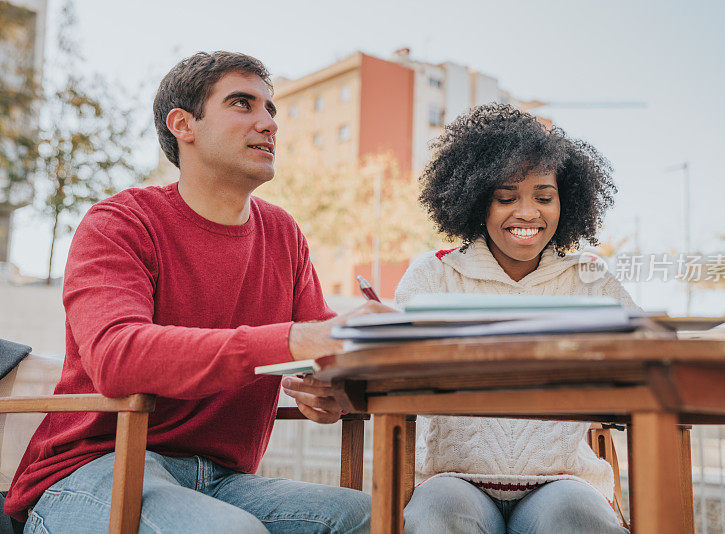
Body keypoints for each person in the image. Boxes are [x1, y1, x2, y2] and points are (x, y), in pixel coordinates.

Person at [5, 51, 392, 533]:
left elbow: (320, 354)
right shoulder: (119, 223)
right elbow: (116, 356)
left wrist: (331, 391)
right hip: (94, 470)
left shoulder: (283, 234)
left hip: (223, 480)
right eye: (242, 104)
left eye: (270, 109)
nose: (269, 123)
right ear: (183, 125)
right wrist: (299, 339)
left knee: (374, 519)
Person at [396, 103, 634, 533]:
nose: (527, 213)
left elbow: (643, 352)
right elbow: (392, 364)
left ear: (567, 202)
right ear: (475, 201)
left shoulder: (590, 277)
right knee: (436, 520)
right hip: (450, 480)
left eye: (544, 197)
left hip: (564, 480)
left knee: (579, 520)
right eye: (506, 197)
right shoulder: (433, 273)